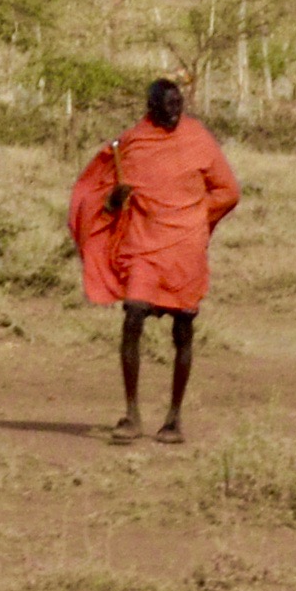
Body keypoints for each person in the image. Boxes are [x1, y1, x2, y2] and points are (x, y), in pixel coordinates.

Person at [69, 78, 241, 444]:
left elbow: (228, 191)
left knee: (183, 329)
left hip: (184, 248)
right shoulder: (132, 143)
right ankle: (131, 415)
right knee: (133, 314)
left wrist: (194, 216)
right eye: (168, 105)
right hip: (144, 246)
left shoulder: (198, 138)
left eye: (179, 103)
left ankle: (174, 419)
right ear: (151, 107)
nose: (175, 111)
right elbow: (99, 199)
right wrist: (115, 200)